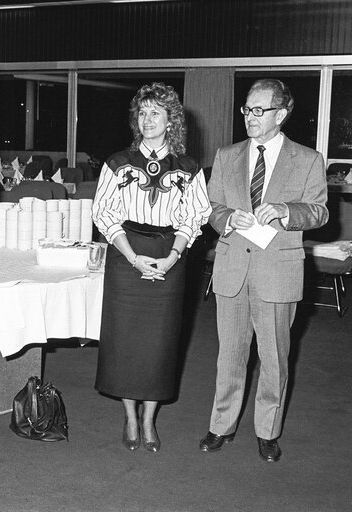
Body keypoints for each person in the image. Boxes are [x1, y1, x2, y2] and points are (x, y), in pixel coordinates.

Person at [200, 79, 328, 462]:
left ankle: (267, 431)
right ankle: (221, 426)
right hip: (233, 269)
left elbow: (320, 211)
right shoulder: (227, 155)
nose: (250, 117)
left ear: (281, 114)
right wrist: (227, 217)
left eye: (259, 110)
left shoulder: (308, 159)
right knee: (230, 355)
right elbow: (209, 206)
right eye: (246, 109)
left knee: (273, 357)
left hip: (277, 272)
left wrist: (288, 212)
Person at [92, 82, 211, 453]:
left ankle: (149, 420)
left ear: (170, 120)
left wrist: (173, 257)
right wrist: (132, 256)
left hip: (169, 255)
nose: (147, 120)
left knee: (159, 343)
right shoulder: (117, 162)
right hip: (127, 255)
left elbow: (194, 218)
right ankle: (129, 417)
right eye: (142, 113)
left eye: (155, 113)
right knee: (125, 340)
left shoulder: (189, 168)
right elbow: (103, 212)